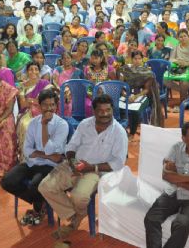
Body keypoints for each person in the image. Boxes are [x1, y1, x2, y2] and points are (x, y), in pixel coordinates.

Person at [38, 94, 128, 241]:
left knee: (79, 197)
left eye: (108, 110)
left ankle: (75, 218)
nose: (105, 114)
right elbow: (71, 147)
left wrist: (91, 167)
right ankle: (75, 215)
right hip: (73, 165)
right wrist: (73, 163)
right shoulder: (85, 124)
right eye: (101, 110)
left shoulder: (119, 132)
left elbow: (118, 163)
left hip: (95, 171)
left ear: (113, 110)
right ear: (94, 111)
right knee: (45, 187)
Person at [0, 89, 69, 226]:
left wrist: (44, 126)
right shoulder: (33, 123)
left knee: (35, 185)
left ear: (56, 106)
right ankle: (41, 203)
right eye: (45, 105)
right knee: (7, 181)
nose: (49, 108)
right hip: (32, 162)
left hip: (51, 166)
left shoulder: (61, 125)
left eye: (52, 105)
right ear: (39, 105)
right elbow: (27, 149)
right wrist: (45, 155)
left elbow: (50, 149)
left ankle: (37, 210)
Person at [144, 121, 189, 248]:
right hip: (173, 192)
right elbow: (165, 175)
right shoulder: (176, 148)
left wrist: (176, 180)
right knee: (151, 218)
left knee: (181, 224)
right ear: (184, 138)